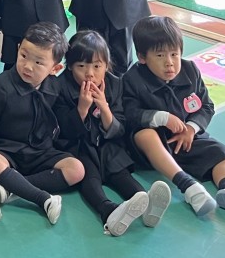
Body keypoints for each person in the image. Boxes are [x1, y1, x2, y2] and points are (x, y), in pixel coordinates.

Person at [123, 16, 225, 220]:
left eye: (174, 54)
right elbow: (129, 113)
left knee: (220, 152)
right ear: (142, 57)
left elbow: (206, 106)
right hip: (153, 145)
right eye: (160, 55)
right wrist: (162, 118)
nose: (169, 62)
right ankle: (189, 187)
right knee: (145, 135)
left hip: (186, 138)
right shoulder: (133, 79)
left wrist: (192, 129)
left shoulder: (190, 71)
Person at [53, 30, 171, 236]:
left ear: (106, 66)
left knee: (119, 170)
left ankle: (145, 201)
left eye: (97, 66)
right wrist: (82, 108)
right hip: (78, 145)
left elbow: (119, 128)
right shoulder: (61, 86)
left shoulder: (114, 84)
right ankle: (107, 210)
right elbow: (64, 131)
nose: (90, 73)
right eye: (81, 66)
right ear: (70, 66)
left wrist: (104, 108)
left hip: (106, 143)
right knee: (89, 175)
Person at [0, 22, 85, 225]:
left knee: (76, 169)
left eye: (38, 62)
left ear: (55, 68)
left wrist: (83, 108)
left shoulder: (55, 87)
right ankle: (42, 198)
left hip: (40, 152)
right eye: (24, 55)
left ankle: (11, 188)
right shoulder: (0, 85)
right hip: (8, 152)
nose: (27, 66)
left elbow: (64, 124)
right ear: (18, 49)